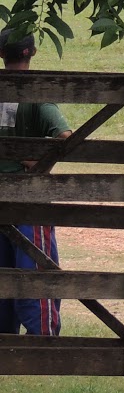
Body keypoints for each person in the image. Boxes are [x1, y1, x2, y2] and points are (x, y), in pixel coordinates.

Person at [0, 29, 72, 336]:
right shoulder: (35, 93)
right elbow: (65, 138)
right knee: (35, 267)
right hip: (28, 197)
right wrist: (36, 162)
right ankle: (44, 339)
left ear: (2, 55)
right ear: (32, 53)